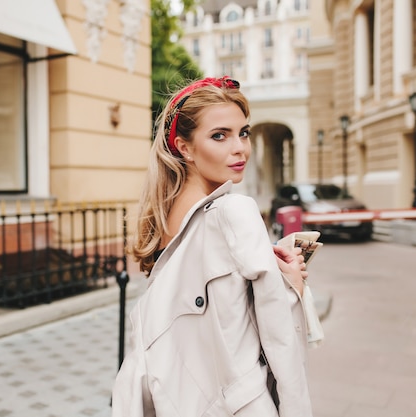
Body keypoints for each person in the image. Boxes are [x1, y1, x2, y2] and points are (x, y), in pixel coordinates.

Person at [111, 76, 313, 416]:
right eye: (219, 135)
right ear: (184, 147)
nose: (240, 148)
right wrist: (292, 284)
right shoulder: (235, 211)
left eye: (243, 132)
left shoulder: (164, 223)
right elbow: (280, 338)